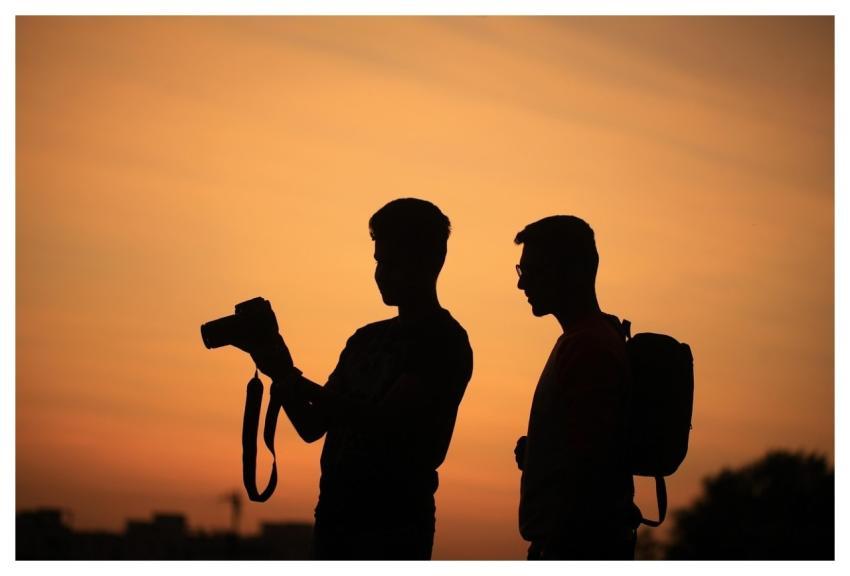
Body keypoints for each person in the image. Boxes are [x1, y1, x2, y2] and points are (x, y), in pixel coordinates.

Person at [243, 198, 473, 560]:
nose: (381, 273)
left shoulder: (443, 340)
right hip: (335, 522)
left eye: (390, 262)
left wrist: (291, 376)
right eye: (378, 261)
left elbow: (384, 422)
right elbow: (311, 425)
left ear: (427, 261)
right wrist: (278, 367)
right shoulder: (365, 339)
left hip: (392, 530)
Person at [513, 215, 638, 560]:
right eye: (521, 272)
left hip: (577, 546)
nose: (523, 286)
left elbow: (590, 463)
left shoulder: (587, 348)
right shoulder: (591, 339)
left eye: (533, 271)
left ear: (572, 272)